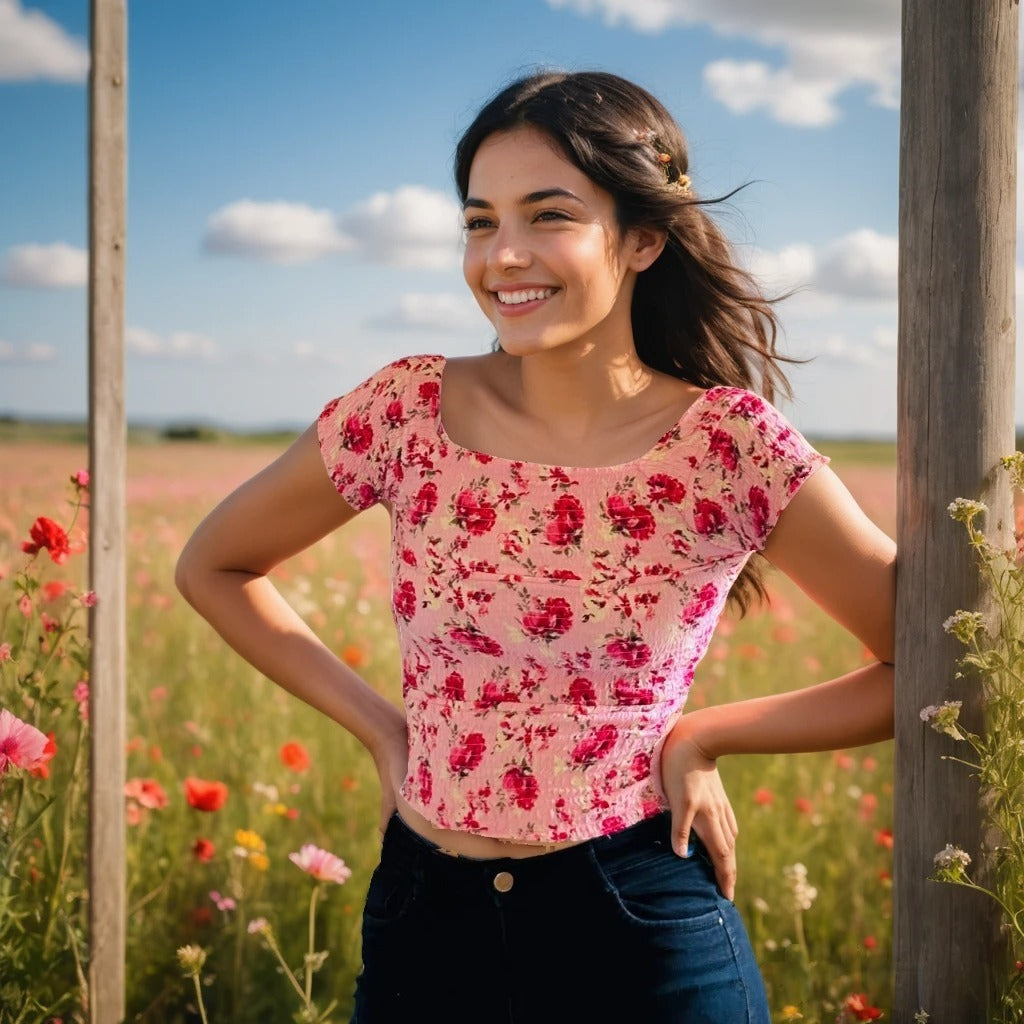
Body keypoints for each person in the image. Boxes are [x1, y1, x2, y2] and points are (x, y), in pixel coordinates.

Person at [175, 70, 896, 1024]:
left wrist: (707, 733)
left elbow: (930, 663)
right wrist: (383, 728)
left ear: (643, 238)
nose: (503, 255)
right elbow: (213, 566)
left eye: (548, 215)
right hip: (425, 923)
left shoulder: (729, 446)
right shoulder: (405, 411)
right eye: (479, 222)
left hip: (640, 922)